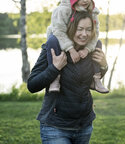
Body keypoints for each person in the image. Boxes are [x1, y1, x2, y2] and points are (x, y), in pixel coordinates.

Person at [27, 11, 108, 144]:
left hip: (84, 126)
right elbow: (32, 85)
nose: (84, 34)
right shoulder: (54, 48)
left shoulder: (91, 49)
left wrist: (104, 66)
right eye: (80, 29)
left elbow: (89, 81)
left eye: (88, 29)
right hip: (55, 127)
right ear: (70, 28)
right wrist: (54, 68)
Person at [46, 0, 109, 93]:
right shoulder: (63, 10)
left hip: (80, 44)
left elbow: (95, 32)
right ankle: (55, 78)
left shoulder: (93, 12)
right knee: (52, 40)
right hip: (60, 38)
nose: (85, 0)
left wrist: (87, 49)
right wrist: (71, 49)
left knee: (98, 43)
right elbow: (58, 30)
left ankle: (95, 79)